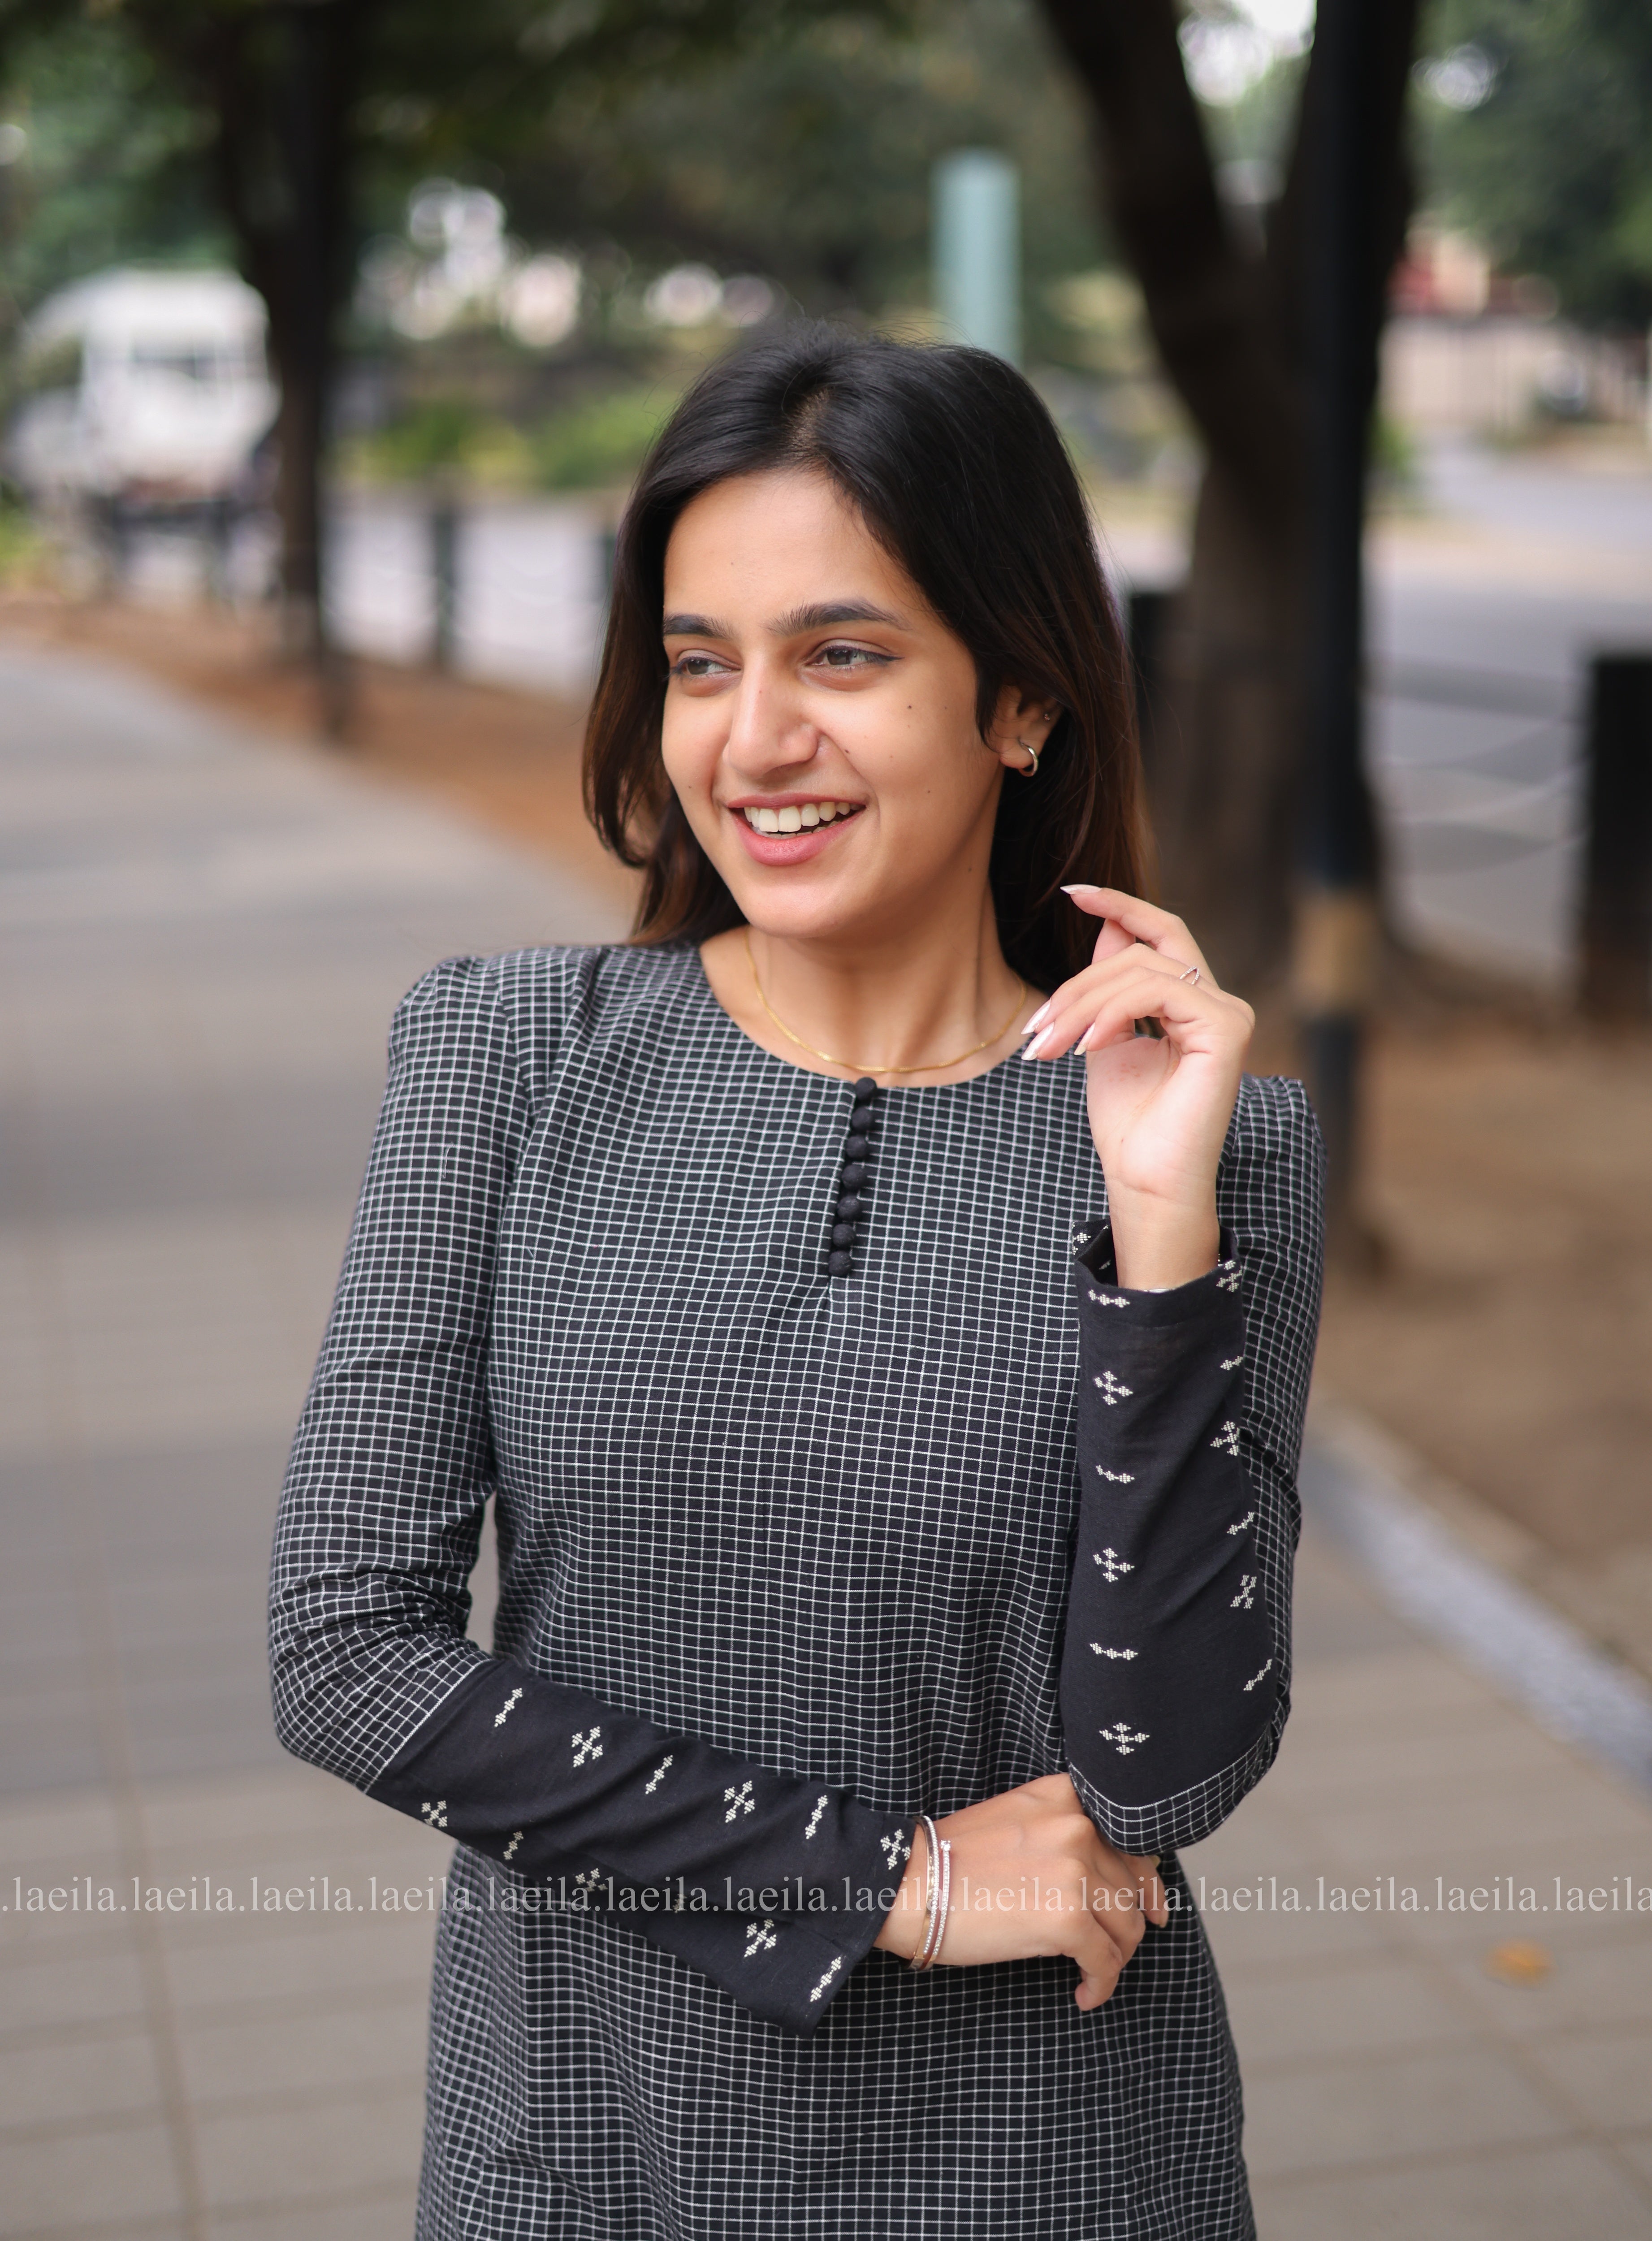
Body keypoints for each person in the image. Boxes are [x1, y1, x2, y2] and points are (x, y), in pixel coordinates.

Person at [270, 329, 1323, 2240]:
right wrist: (881, 1882)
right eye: (700, 662)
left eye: (842, 654)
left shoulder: (1215, 1144)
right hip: (582, 2145)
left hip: (1060, 2159)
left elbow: (1173, 1769)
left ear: (1021, 696)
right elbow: (349, 1644)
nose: (752, 738)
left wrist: (1156, 1243)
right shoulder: (510, 1056)